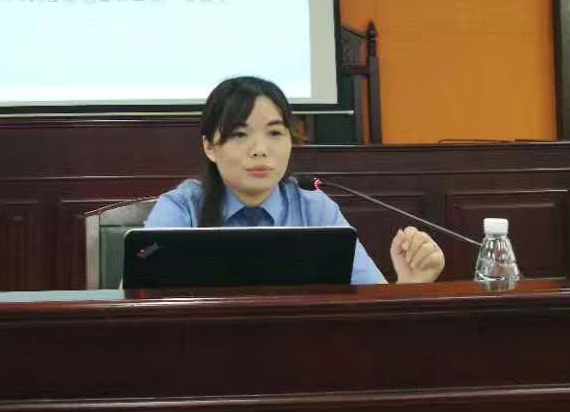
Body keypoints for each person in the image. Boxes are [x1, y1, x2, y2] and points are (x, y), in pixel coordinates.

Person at [144, 75, 445, 284]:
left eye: (275, 133)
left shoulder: (316, 210)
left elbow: (368, 310)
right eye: (239, 134)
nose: (260, 150)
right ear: (210, 146)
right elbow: (137, 303)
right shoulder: (180, 209)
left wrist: (408, 286)